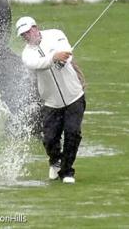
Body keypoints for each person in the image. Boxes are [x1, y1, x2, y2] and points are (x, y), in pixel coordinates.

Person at [16, 16, 86, 184]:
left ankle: (67, 171)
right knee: (49, 138)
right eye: (23, 35)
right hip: (50, 101)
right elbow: (38, 64)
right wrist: (54, 57)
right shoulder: (27, 54)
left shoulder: (55, 34)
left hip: (74, 95)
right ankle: (55, 161)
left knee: (72, 133)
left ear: (35, 27)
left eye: (28, 31)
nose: (27, 36)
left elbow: (66, 51)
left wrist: (63, 58)